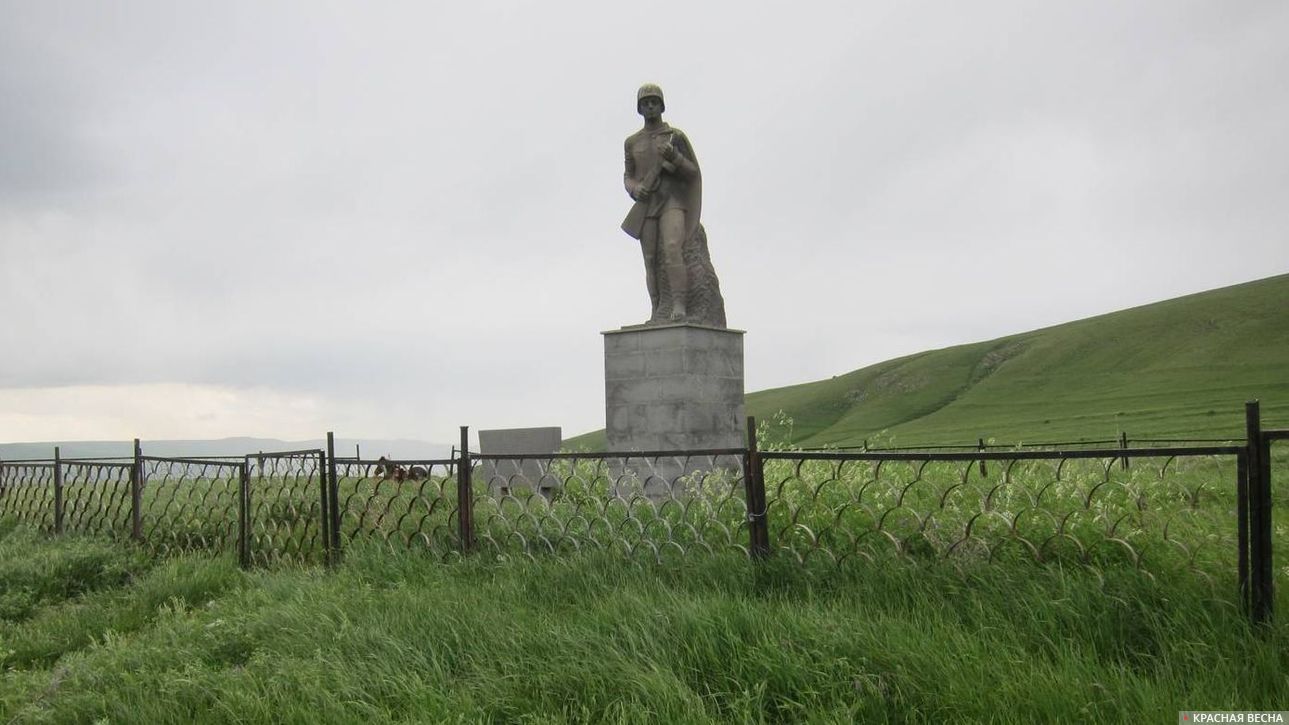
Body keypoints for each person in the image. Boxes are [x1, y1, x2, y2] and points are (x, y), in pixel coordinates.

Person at [621, 83, 703, 323]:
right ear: (639, 108)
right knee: (650, 260)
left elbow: (692, 172)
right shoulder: (632, 142)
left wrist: (674, 157)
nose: (650, 106)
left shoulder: (674, 137)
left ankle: (679, 305)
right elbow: (628, 176)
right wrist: (636, 188)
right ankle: (657, 309)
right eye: (645, 103)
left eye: (654, 102)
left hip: (672, 200)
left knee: (671, 248)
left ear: (661, 105)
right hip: (647, 204)